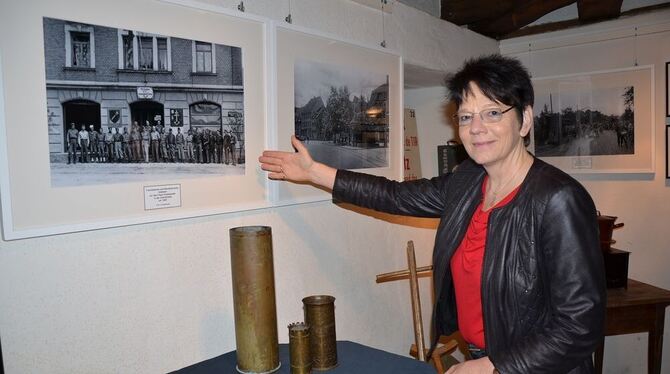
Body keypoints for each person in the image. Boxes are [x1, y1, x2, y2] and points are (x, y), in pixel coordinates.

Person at [259, 54, 605, 374]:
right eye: (466, 117)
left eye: (493, 113)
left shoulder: (559, 199)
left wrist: (494, 366)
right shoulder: (467, 181)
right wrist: (314, 172)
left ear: (525, 119)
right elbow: (394, 195)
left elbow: (580, 326)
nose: (476, 127)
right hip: (483, 357)